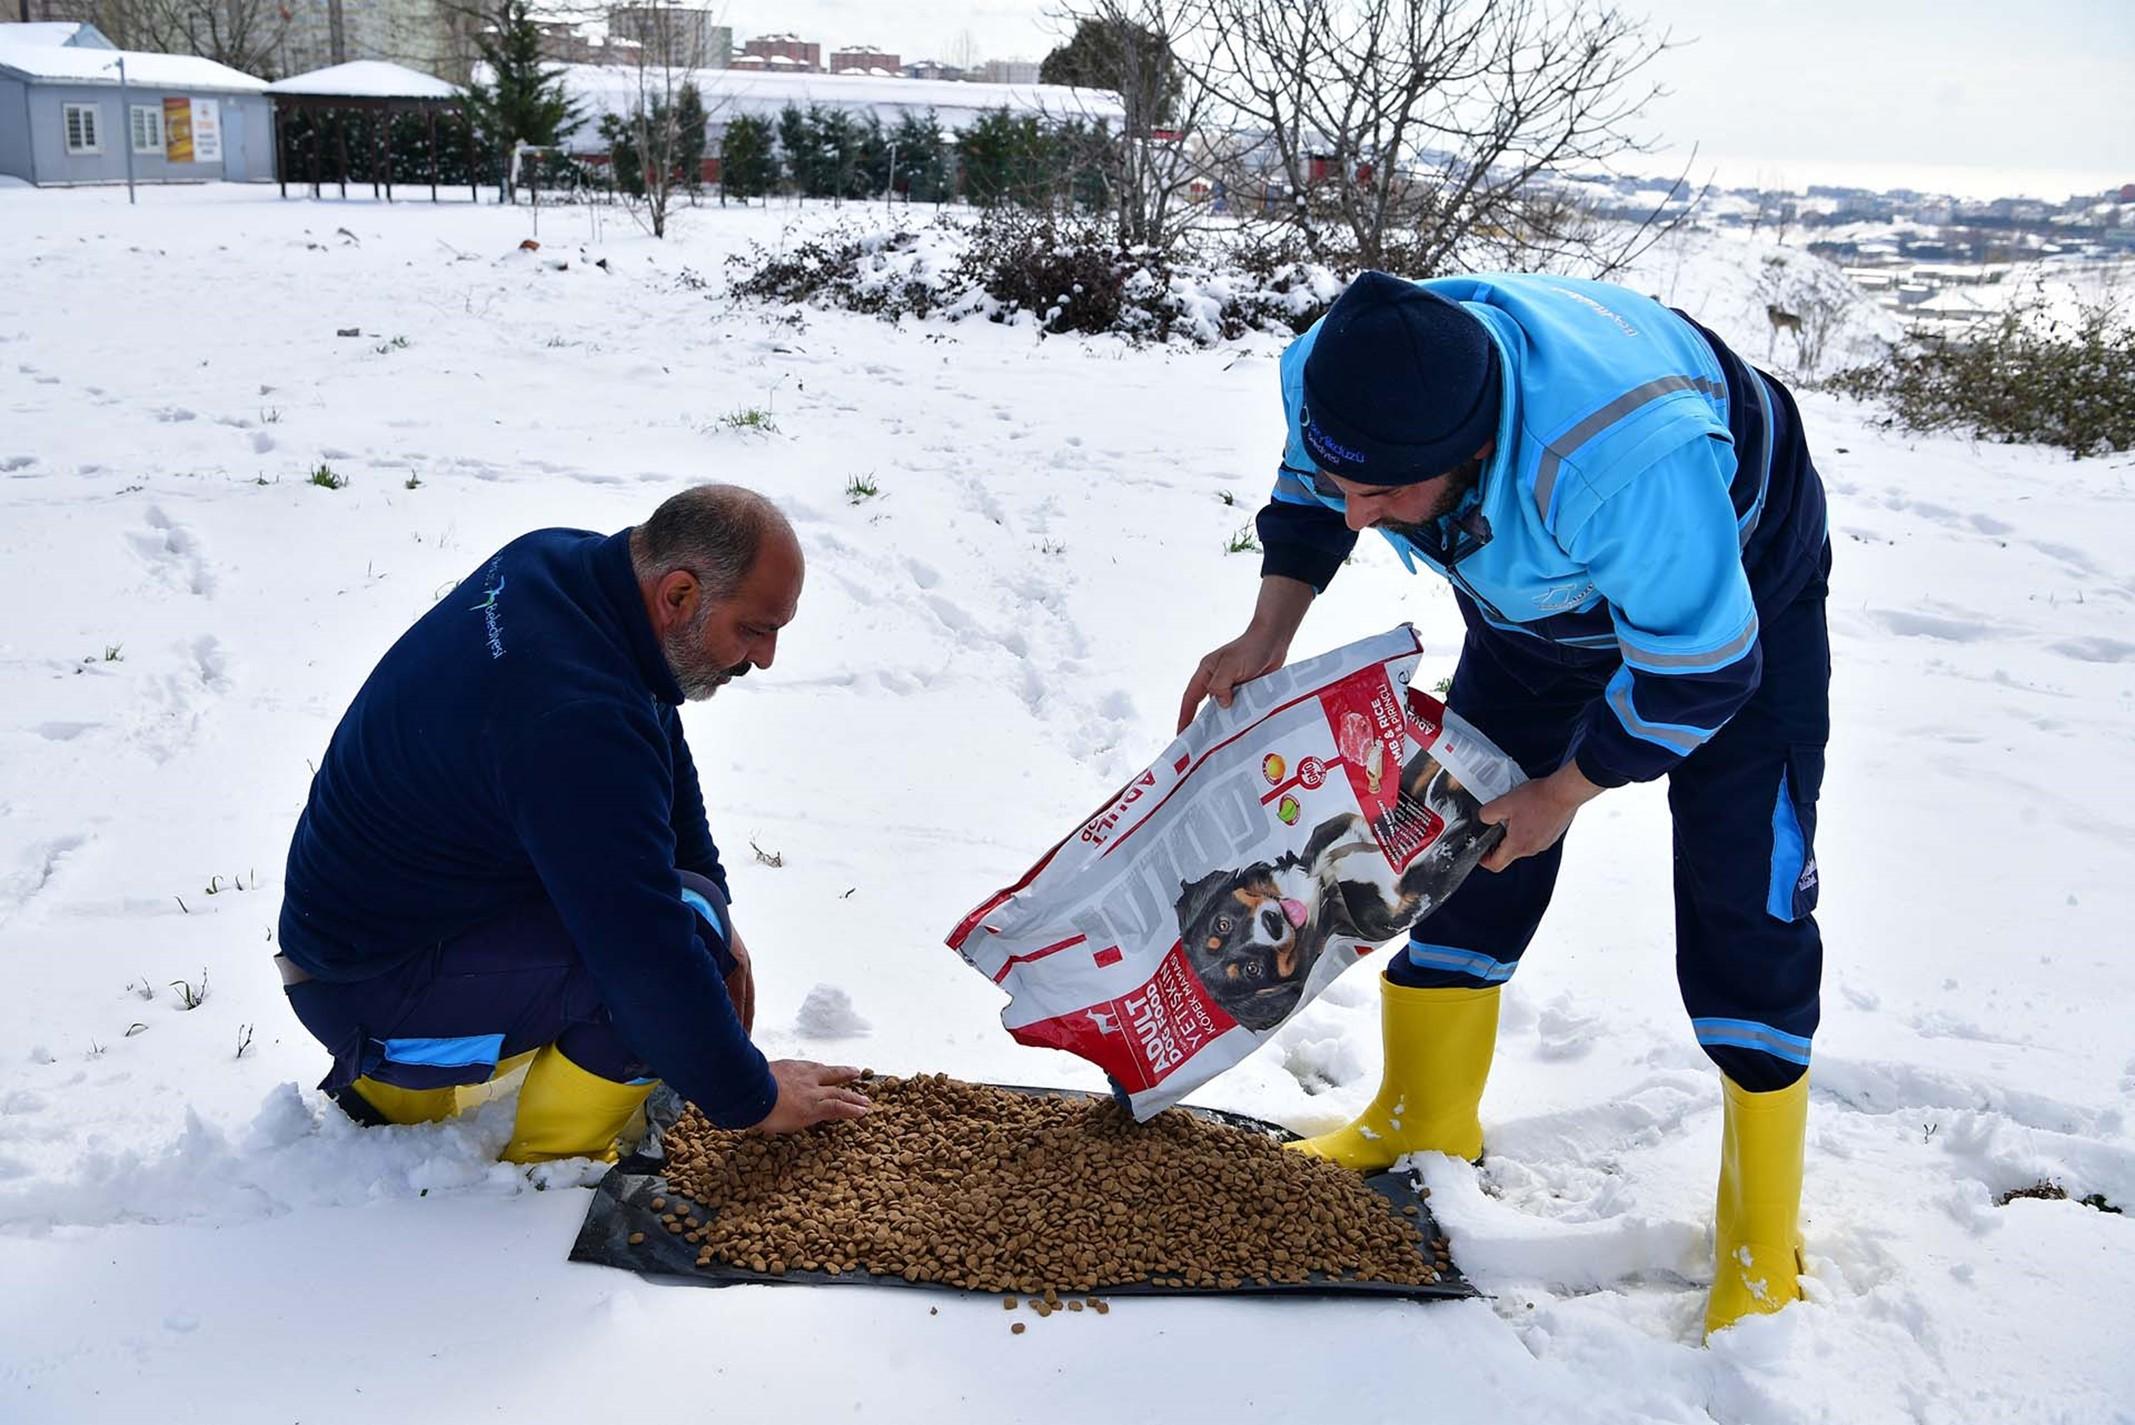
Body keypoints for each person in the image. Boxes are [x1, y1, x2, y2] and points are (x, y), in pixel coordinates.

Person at [1179, 271, 1831, 1336]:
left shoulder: (1624, 466)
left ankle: (1759, 1235)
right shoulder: (1340, 368)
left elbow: (1698, 676)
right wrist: (1269, 628)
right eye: (1351, 483)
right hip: (1534, 597)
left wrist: (1565, 791)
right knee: (1457, 830)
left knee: (1739, 885)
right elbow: (1311, 491)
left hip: (1733, 588)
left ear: (1471, 451)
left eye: (1384, 495)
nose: (1356, 514)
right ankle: (1421, 1114)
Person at [275, 484, 870, 1162]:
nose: (764, 658)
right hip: (371, 995)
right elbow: (643, 956)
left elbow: (652, 724)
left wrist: (715, 907)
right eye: (755, 629)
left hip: (364, 939)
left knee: (695, 923)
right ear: (677, 595)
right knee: (661, 972)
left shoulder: (558, 567)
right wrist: (753, 1094)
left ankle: (405, 1091)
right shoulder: (570, 716)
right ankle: (559, 1161)